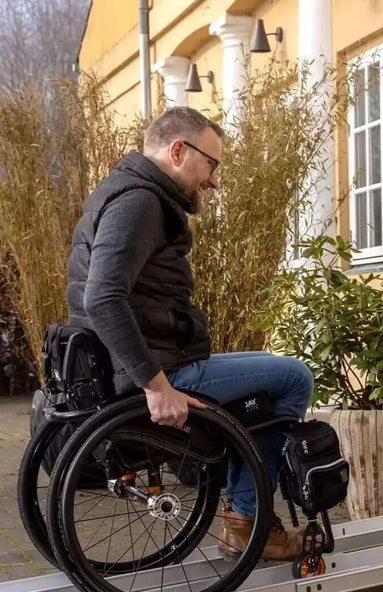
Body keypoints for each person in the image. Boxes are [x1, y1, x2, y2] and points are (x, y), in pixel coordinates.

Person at [65, 106, 314, 561]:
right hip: (158, 374)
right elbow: (101, 298)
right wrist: (155, 386)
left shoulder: (126, 192)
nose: (214, 180)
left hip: (151, 363)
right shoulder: (138, 202)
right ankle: (246, 520)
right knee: (294, 377)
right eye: (211, 164)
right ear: (178, 151)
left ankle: (244, 512)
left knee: (268, 378)